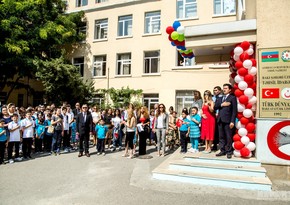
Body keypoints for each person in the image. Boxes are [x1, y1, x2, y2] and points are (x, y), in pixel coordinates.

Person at [215, 84, 238, 159]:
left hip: (228, 120)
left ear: (230, 89)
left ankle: (229, 151)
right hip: (220, 120)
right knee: (221, 136)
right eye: (223, 88)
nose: (224, 89)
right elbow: (215, 106)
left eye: (226, 88)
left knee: (228, 136)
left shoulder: (232, 98)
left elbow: (234, 111)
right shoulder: (220, 97)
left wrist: (232, 121)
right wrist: (222, 104)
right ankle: (222, 150)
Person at [212, 86, 223, 151]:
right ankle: (215, 145)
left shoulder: (222, 97)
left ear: (219, 91)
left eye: (216, 90)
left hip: (220, 115)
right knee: (214, 131)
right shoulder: (213, 98)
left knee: (220, 132)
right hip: (213, 116)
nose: (215, 91)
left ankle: (221, 146)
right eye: (214, 90)